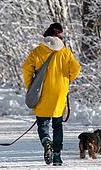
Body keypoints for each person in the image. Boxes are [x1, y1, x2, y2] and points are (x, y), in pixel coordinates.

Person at [22, 22, 81, 166]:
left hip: (41, 92)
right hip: (59, 93)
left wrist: (30, 85)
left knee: (43, 124)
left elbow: (26, 69)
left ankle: (46, 141)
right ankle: (57, 156)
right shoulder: (65, 52)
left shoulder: (37, 51)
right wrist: (66, 80)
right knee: (57, 124)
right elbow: (76, 69)